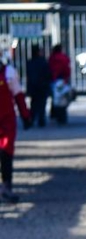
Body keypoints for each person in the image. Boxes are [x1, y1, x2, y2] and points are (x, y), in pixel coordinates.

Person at [0, 51, 33, 204]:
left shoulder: (8, 73)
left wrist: (25, 116)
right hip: (6, 121)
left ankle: (7, 186)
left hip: (6, 122)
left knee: (6, 152)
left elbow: (18, 95)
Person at [26, 45, 52, 128]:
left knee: (34, 104)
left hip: (33, 86)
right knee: (42, 103)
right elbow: (47, 74)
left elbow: (29, 75)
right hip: (42, 86)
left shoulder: (30, 62)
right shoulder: (43, 62)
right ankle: (41, 119)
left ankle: (32, 119)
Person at [48, 44, 71, 125]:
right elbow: (67, 69)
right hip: (62, 80)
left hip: (54, 80)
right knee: (63, 99)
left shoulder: (52, 58)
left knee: (55, 98)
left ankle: (54, 115)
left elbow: (49, 69)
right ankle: (62, 117)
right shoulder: (64, 58)